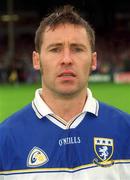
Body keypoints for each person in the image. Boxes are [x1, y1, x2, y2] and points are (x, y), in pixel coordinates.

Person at [0, 5, 130, 180]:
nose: (67, 59)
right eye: (55, 49)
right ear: (36, 60)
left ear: (93, 61)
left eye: (77, 49)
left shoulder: (125, 130)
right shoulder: (6, 138)